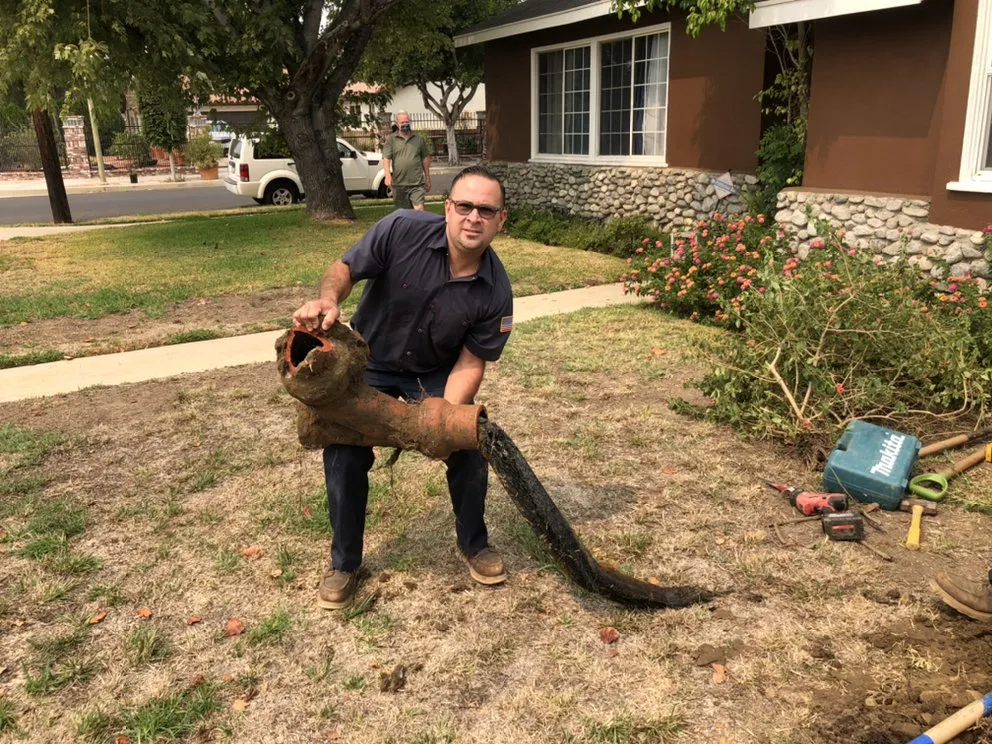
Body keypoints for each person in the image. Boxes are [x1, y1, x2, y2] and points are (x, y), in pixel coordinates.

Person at [292, 165, 513, 610]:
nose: (474, 217)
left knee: (470, 443)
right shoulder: (401, 229)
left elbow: (471, 362)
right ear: (447, 208)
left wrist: (444, 420)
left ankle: (474, 544)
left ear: (500, 220)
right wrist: (329, 300)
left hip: (431, 375)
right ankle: (345, 562)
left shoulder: (496, 291)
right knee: (343, 451)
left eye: (485, 210)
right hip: (369, 365)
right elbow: (345, 268)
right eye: (465, 206)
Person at [382, 111, 431, 211]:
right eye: (402, 122)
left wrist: (427, 177)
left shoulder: (418, 139)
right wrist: (387, 175)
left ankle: (420, 227)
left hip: (417, 184)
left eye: (407, 121)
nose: (405, 124)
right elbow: (386, 158)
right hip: (399, 184)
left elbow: (425, 158)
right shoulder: (391, 140)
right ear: (397, 124)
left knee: (419, 209)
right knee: (403, 214)